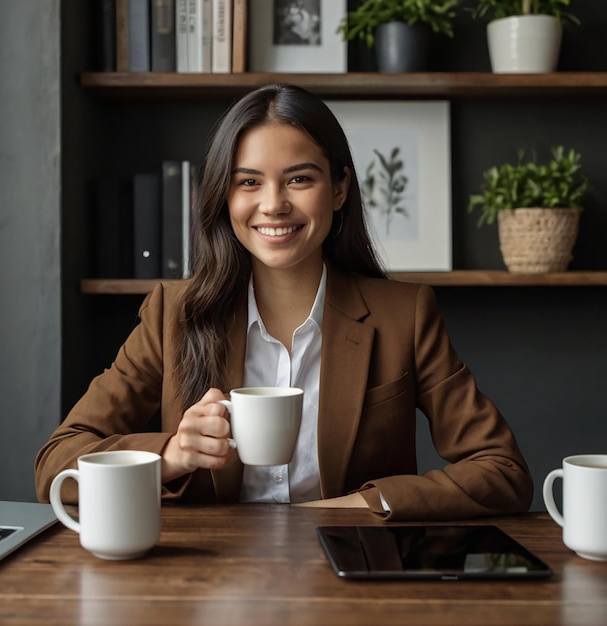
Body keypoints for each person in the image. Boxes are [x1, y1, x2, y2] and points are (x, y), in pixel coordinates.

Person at [35, 83, 533, 519]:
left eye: (299, 178)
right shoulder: (174, 313)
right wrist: (171, 455)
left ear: (339, 189)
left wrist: (345, 510)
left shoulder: (404, 315)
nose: (273, 203)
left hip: (353, 575)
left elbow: (503, 472)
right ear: (223, 198)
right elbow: (57, 464)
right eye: (248, 182)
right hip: (202, 580)